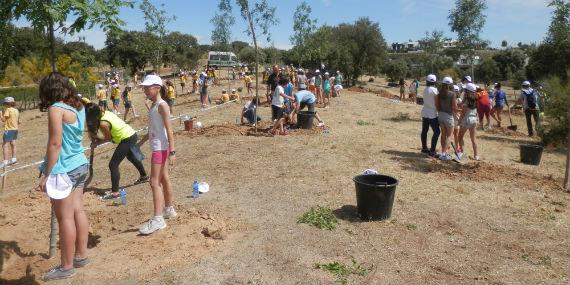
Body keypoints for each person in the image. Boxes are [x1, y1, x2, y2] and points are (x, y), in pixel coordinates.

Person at [36, 72, 90, 281]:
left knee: (65, 217)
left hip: (64, 169)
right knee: (78, 210)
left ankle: (66, 266)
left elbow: (55, 144)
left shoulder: (55, 109)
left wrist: (46, 175)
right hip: (80, 164)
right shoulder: (79, 107)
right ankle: (81, 256)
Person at [139, 75, 177, 235]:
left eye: (148, 87)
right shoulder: (155, 105)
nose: (145, 90)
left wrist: (172, 151)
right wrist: (140, 143)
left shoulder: (162, 105)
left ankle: (158, 219)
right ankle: (168, 209)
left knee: (154, 182)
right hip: (159, 146)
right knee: (163, 178)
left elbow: (169, 130)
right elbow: (155, 127)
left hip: (160, 148)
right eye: (145, 87)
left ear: (157, 88)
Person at [85, 103, 149, 200]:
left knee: (113, 164)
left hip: (127, 138)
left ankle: (115, 192)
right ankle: (144, 176)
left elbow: (108, 137)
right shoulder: (105, 112)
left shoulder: (103, 123)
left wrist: (96, 143)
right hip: (131, 134)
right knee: (130, 156)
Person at [435, 77, 458, 161]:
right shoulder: (452, 94)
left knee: (443, 135)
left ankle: (442, 152)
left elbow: (437, 106)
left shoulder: (439, 94)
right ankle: (444, 154)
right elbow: (454, 107)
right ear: (451, 84)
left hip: (440, 115)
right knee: (449, 136)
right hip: (448, 116)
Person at [458, 83, 479, 160]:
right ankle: (476, 155)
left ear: (467, 91)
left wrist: (459, 121)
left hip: (466, 120)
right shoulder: (476, 98)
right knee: (473, 139)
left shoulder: (467, 100)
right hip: (474, 119)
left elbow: (463, 113)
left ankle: (462, 154)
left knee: (460, 137)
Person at [420, 74, 440, 156]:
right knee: (437, 132)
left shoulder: (425, 89)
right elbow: (437, 103)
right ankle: (432, 150)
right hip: (432, 113)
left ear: (427, 81)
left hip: (425, 112)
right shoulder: (435, 90)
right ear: (435, 82)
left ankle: (424, 148)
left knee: (424, 130)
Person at [0, 97, 19, 167]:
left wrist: (1, 114)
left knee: (4, 145)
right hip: (15, 129)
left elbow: (3, 120)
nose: (4, 105)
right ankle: (14, 159)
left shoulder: (8, 110)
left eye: (5, 103)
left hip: (9, 129)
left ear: (7, 103)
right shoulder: (16, 110)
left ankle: (5, 161)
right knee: (13, 143)